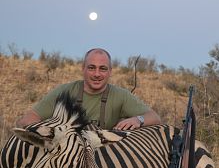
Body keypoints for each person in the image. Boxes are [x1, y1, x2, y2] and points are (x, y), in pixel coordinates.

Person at [16, 48, 161, 130]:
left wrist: (138, 119)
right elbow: (27, 120)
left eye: (102, 69)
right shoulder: (64, 91)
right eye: (91, 68)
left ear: (110, 71)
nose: (97, 74)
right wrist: (51, 133)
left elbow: (154, 117)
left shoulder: (120, 95)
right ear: (83, 69)